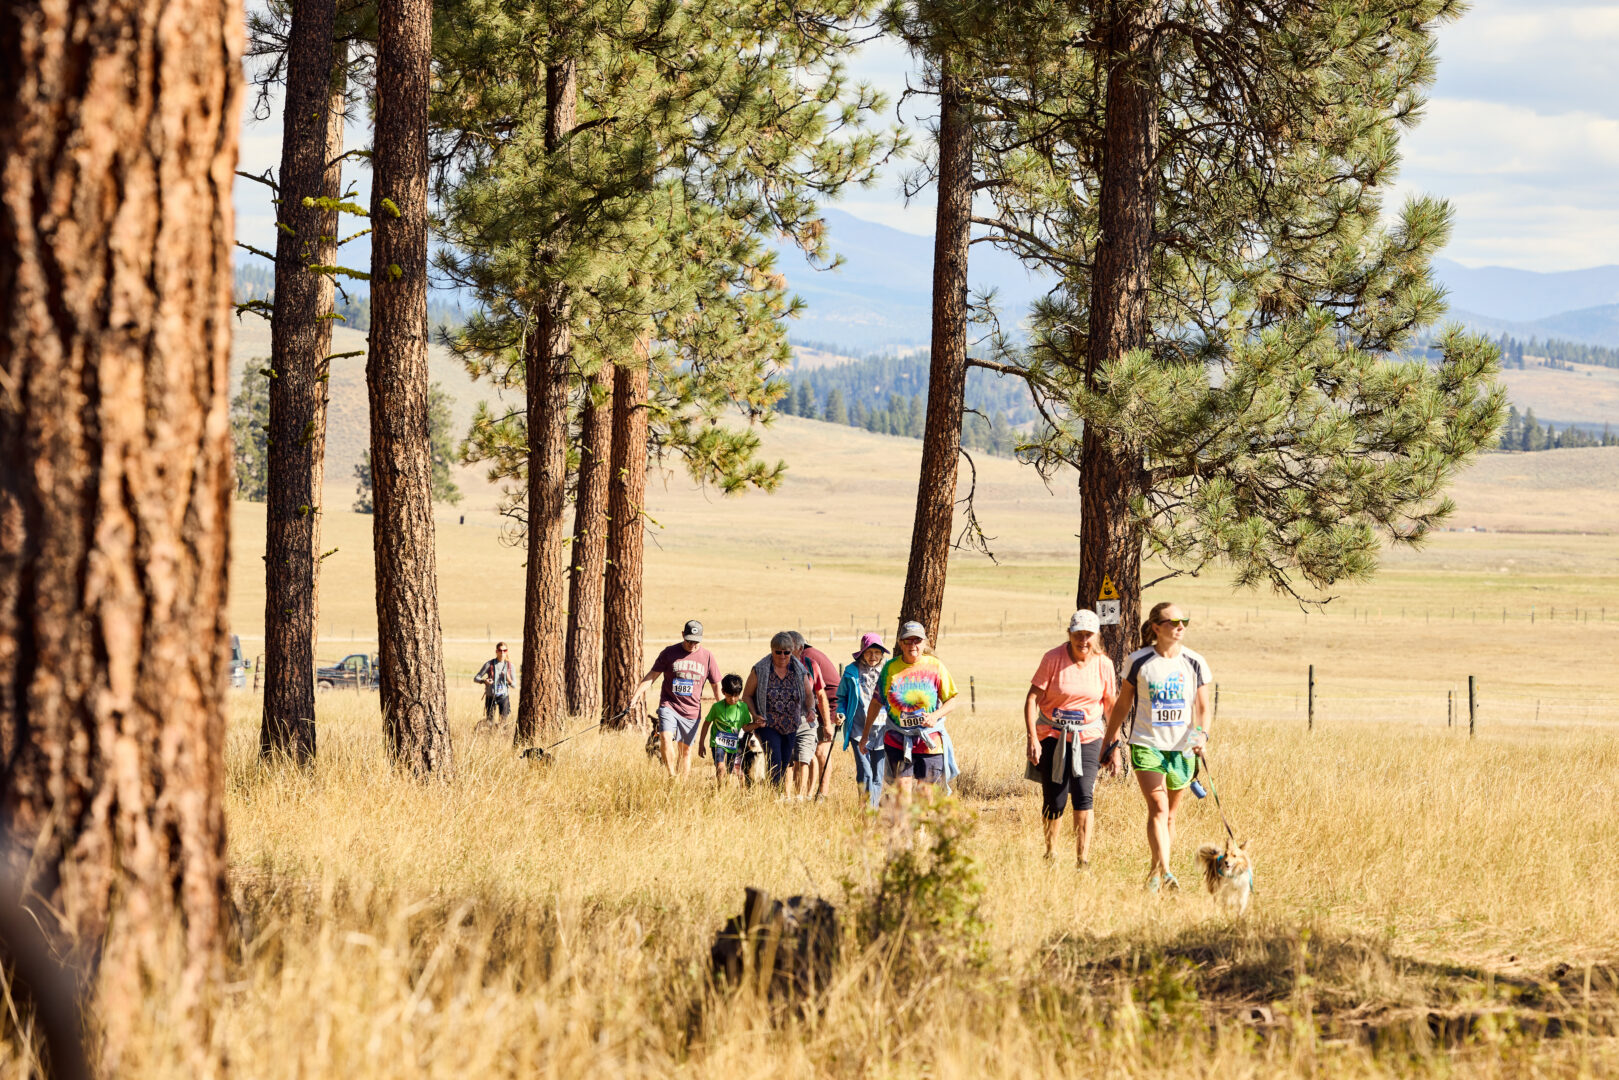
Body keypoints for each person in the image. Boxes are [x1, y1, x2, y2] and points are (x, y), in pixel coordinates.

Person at [1101, 601, 1213, 892]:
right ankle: (1166, 873)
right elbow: (1123, 703)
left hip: (1183, 747)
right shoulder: (1138, 661)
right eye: (1173, 622)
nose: (1180, 627)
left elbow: (1202, 707)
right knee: (1158, 807)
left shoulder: (1195, 661)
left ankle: (1154, 873)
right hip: (1147, 743)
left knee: (1171, 815)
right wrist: (1109, 740)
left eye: (1183, 621)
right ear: (1156, 628)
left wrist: (1201, 736)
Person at [1024, 611, 1117, 867]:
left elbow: (1110, 707)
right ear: (1070, 634)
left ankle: (1082, 860)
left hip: (1089, 737)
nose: (1083, 640)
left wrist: (1114, 746)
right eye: (1078, 634)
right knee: (1055, 798)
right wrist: (1032, 738)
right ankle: (1051, 853)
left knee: (1084, 794)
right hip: (1052, 735)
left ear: (1096, 636)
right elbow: (1032, 699)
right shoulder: (1052, 659)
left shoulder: (1103, 664)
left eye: (1088, 635)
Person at [855, 621, 960, 807]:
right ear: (901, 643)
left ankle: (920, 832)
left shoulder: (936, 667)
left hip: (929, 739)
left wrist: (935, 715)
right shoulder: (890, 669)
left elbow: (952, 700)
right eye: (908, 641)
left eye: (917, 640)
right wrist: (865, 735)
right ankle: (906, 833)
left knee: (924, 793)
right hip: (897, 738)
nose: (913, 645)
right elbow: (876, 702)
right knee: (902, 792)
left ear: (924, 643)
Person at [629, 619, 722, 781]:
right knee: (665, 737)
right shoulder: (669, 653)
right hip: (669, 705)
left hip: (692, 711)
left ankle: (681, 785)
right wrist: (636, 696)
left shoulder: (707, 657)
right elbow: (652, 676)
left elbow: (716, 686)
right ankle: (671, 775)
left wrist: (723, 710)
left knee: (685, 751)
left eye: (696, 641)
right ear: (682, 636)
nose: (692, 644)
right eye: (689, 640)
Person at [743, 632, 818, 797]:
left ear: (791, 652)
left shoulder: (798, 670)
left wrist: (811, 709)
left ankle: (774, 794)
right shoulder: (761, 669)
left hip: (791, 724)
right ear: (772, 650)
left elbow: (809, 694)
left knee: (784, 762)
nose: (782, 656)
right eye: (778, 652)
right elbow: (746, 695)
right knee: (775, 760)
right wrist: (755, 714)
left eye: (787, 652)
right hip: (768, 724)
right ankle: (774, 797)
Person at [836, 632, 889, 808]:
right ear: (862, 653)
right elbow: (841, 697)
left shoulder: (888, 671)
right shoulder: (851, 672)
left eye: (877, 652)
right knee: (865, 772)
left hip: (882, 730)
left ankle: (870, 812)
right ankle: (867, 811)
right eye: (869, 652)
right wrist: (841, 713)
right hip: (858, 730)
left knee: (877, 774)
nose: (873, 656)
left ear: (882, 654)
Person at [791, 631, 838, 799]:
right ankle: (807, 792)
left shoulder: (809, 658)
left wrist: (826, 724)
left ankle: (822, 794)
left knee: (820, 750)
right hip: (815, 705)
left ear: (800, 647)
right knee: (807, 750)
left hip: (829, 702)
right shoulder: (803, 656)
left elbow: (820, 693)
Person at [697, 674, 751, 785]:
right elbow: (706, 724)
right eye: (729, 695)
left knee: (730, 771)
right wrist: (701, 743)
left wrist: (757, 725)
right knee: (720, 768)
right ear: (723, 692)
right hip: (717, 743)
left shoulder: (743, 708)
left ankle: (726, 789)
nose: (733, 699)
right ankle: (720, 791)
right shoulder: (717, 707)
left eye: (736, 695)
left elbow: (745, 727)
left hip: (733, 744)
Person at [473, 642, 515, 734]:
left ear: (507, 652)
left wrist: (508, 678)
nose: (502, 652)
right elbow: (476, 678)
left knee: (503, 722)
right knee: (489, 721)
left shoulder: (509, 666)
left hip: (504, 697)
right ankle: (479, 728)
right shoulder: (489, 664)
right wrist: (484, 681)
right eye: (500, 650)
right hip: (490, 697)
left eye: (505, 650)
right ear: (496, 651)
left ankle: (499, 738)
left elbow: (514, 685)